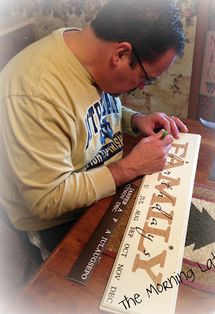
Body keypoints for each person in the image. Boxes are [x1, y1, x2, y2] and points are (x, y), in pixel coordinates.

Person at [0, 0, 188, 263]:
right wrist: (129, 168)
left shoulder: (86, 50)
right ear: (121, 54)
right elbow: (45, 200)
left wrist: (136, 120)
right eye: (147, 78)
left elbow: (86, 114)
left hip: (103, 190)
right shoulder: (34, 93)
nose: (144, 88)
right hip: (58, 219)